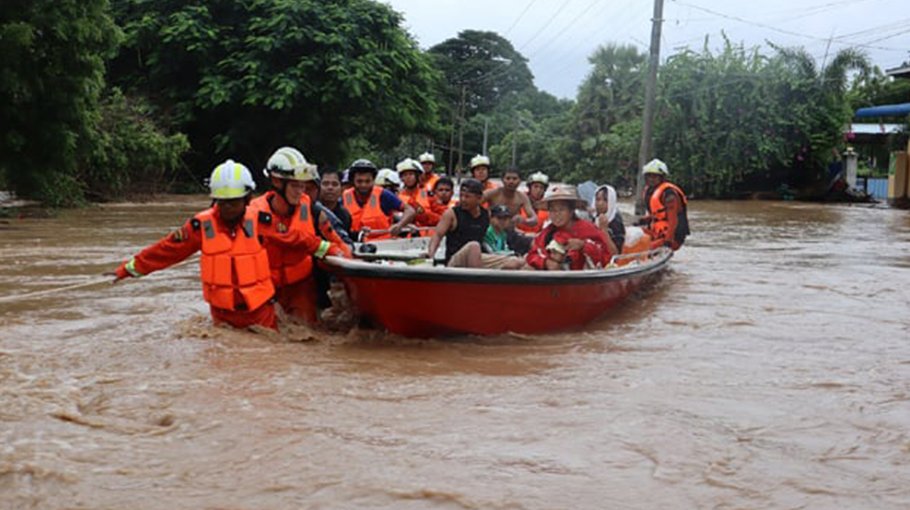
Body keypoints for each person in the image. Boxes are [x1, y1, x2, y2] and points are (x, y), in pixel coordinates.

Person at [110, 160, 344, 330]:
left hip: (260, 314)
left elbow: (296, 238)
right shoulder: (200, 226)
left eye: (234, 202)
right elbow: (166, 251)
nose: (228, 208)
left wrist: (329, 249)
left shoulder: (261, 221)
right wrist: (129, 269)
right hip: (222, 317)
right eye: (223, 202)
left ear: (247, 199)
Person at [250, 147, 351, 324]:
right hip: (266, 287)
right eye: (295, 185)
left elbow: (336, 241)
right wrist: (318, 246)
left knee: (308, 333)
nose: (300, 191)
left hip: (301, 287)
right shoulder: (253, 213)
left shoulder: (313, 211)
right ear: (276, 181)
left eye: (303, 186)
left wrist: (348, 259)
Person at [526, 185, 613, 271]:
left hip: (582, 277)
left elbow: (606, 256)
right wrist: (545, 262)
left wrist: (583, 245)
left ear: (571, 211)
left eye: (561, 209)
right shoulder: (548, 231)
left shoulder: (588, 228)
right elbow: (533, 254)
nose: (557, 214)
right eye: (552, 210)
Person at [342, 159, 415, 241]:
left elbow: (410, 210)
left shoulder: (383, 195)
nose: (364, 185)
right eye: (359, 181)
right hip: (355, 244)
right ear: (353, 181)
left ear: (373, 181)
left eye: (367, 181)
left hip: (383, 246)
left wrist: (399, 225)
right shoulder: (344, 197)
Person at [637, 158, 689, 251]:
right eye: (649, 176)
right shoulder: (649, 191)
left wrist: (668, 241)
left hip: (672, 236)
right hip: (657, 231)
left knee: (644, 249)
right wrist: (643, 220)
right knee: (632, 235)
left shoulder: (669, 195)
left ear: (662, 177)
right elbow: (658, 214)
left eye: (655, 176)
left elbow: (673, 220)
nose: (651, 179)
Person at [396, 158, 440, 230]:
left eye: (411, 174)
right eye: (405, 175)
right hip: (404, 235)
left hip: (426, 233)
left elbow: (440, 217)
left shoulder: (428, 195)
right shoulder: (397, 197)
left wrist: (422, 213)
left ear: (417, 176)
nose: (408, 177)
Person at [481, 205, 526, 269]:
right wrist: (513, 254)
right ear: (491, 218)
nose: (502, 221)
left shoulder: (502, 233)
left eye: (505, 219)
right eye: (499, 218)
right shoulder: (487, 232)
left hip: (501, 259)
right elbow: (491, 252)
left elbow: (505, 248)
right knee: (515, 262)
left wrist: (514, 254)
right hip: (490, 260)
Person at [593, 184, 624, 256]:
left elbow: (616, 254)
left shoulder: (616, 222)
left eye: (605, 200)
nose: (600, 203)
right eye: (598, 199)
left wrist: (604, 230)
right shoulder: (594, 219)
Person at [318, 168, 352, 234]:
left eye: (335, 184)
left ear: (341, 188)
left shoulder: (345, 215)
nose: (330, 188)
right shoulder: (311, 210)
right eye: (325, 184)